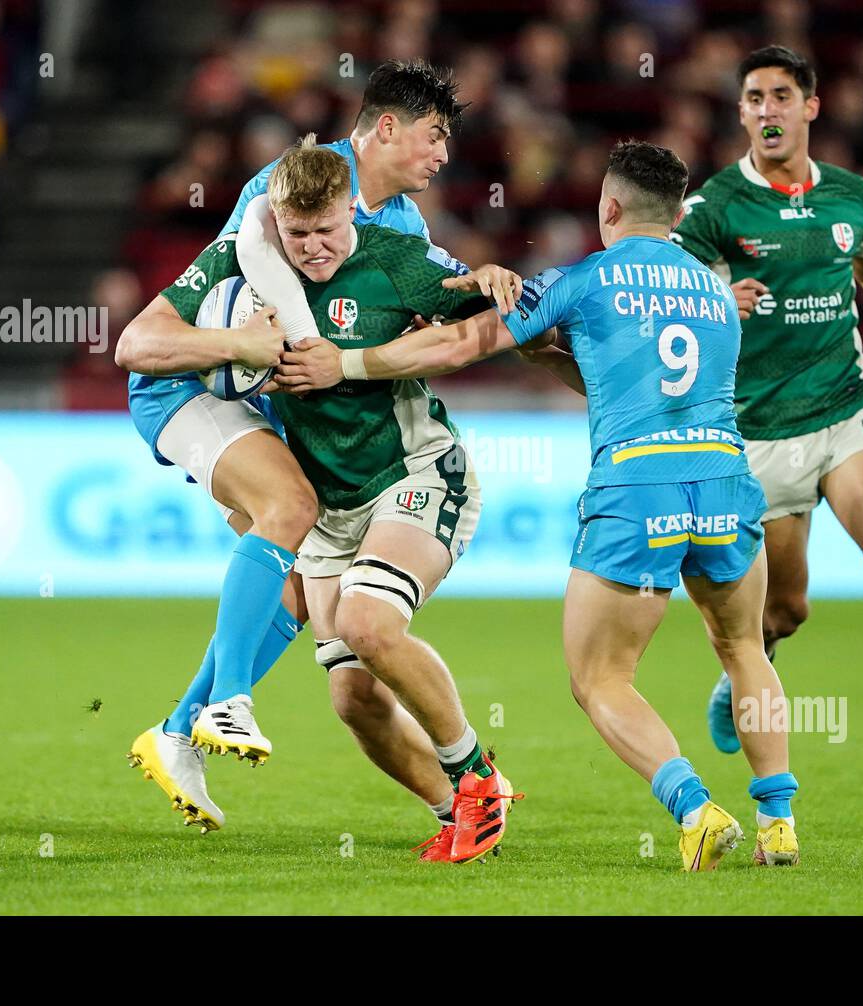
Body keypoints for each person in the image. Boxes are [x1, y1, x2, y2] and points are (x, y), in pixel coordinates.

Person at [279, 141, 801, 870]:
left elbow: (464, 343)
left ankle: (695, 808)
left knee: (601, 678)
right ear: (679, 215)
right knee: (743, 648)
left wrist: (350, 362)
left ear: (608, 208)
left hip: (637, 487)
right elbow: (642, 384)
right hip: (724, 478)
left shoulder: (584, 280)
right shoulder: (716, 291)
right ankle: (778, 819)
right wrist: (553, 358)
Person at [118, 60, 520, 851]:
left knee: (300, 595)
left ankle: (179, 728)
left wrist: (471, 298)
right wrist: (289, 347)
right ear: (387, 128)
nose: (445, 156)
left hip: (291, 413)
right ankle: (217, 706)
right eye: (437, 136)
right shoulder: (294, 183)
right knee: (287, 514)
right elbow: (240, 282)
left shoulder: (399, 229)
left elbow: (449, 302)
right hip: (200, 383)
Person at [672, 45, 863, 823]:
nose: (768, 109)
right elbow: (665, 287)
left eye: (782, 95)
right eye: (754, 98)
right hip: (755, 433)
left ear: (811, 107)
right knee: (786, 611)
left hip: (848, 413)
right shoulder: (715, 206)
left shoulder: (851, 196)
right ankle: (746, 663)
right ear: (741, 113)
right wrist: (716, 292)